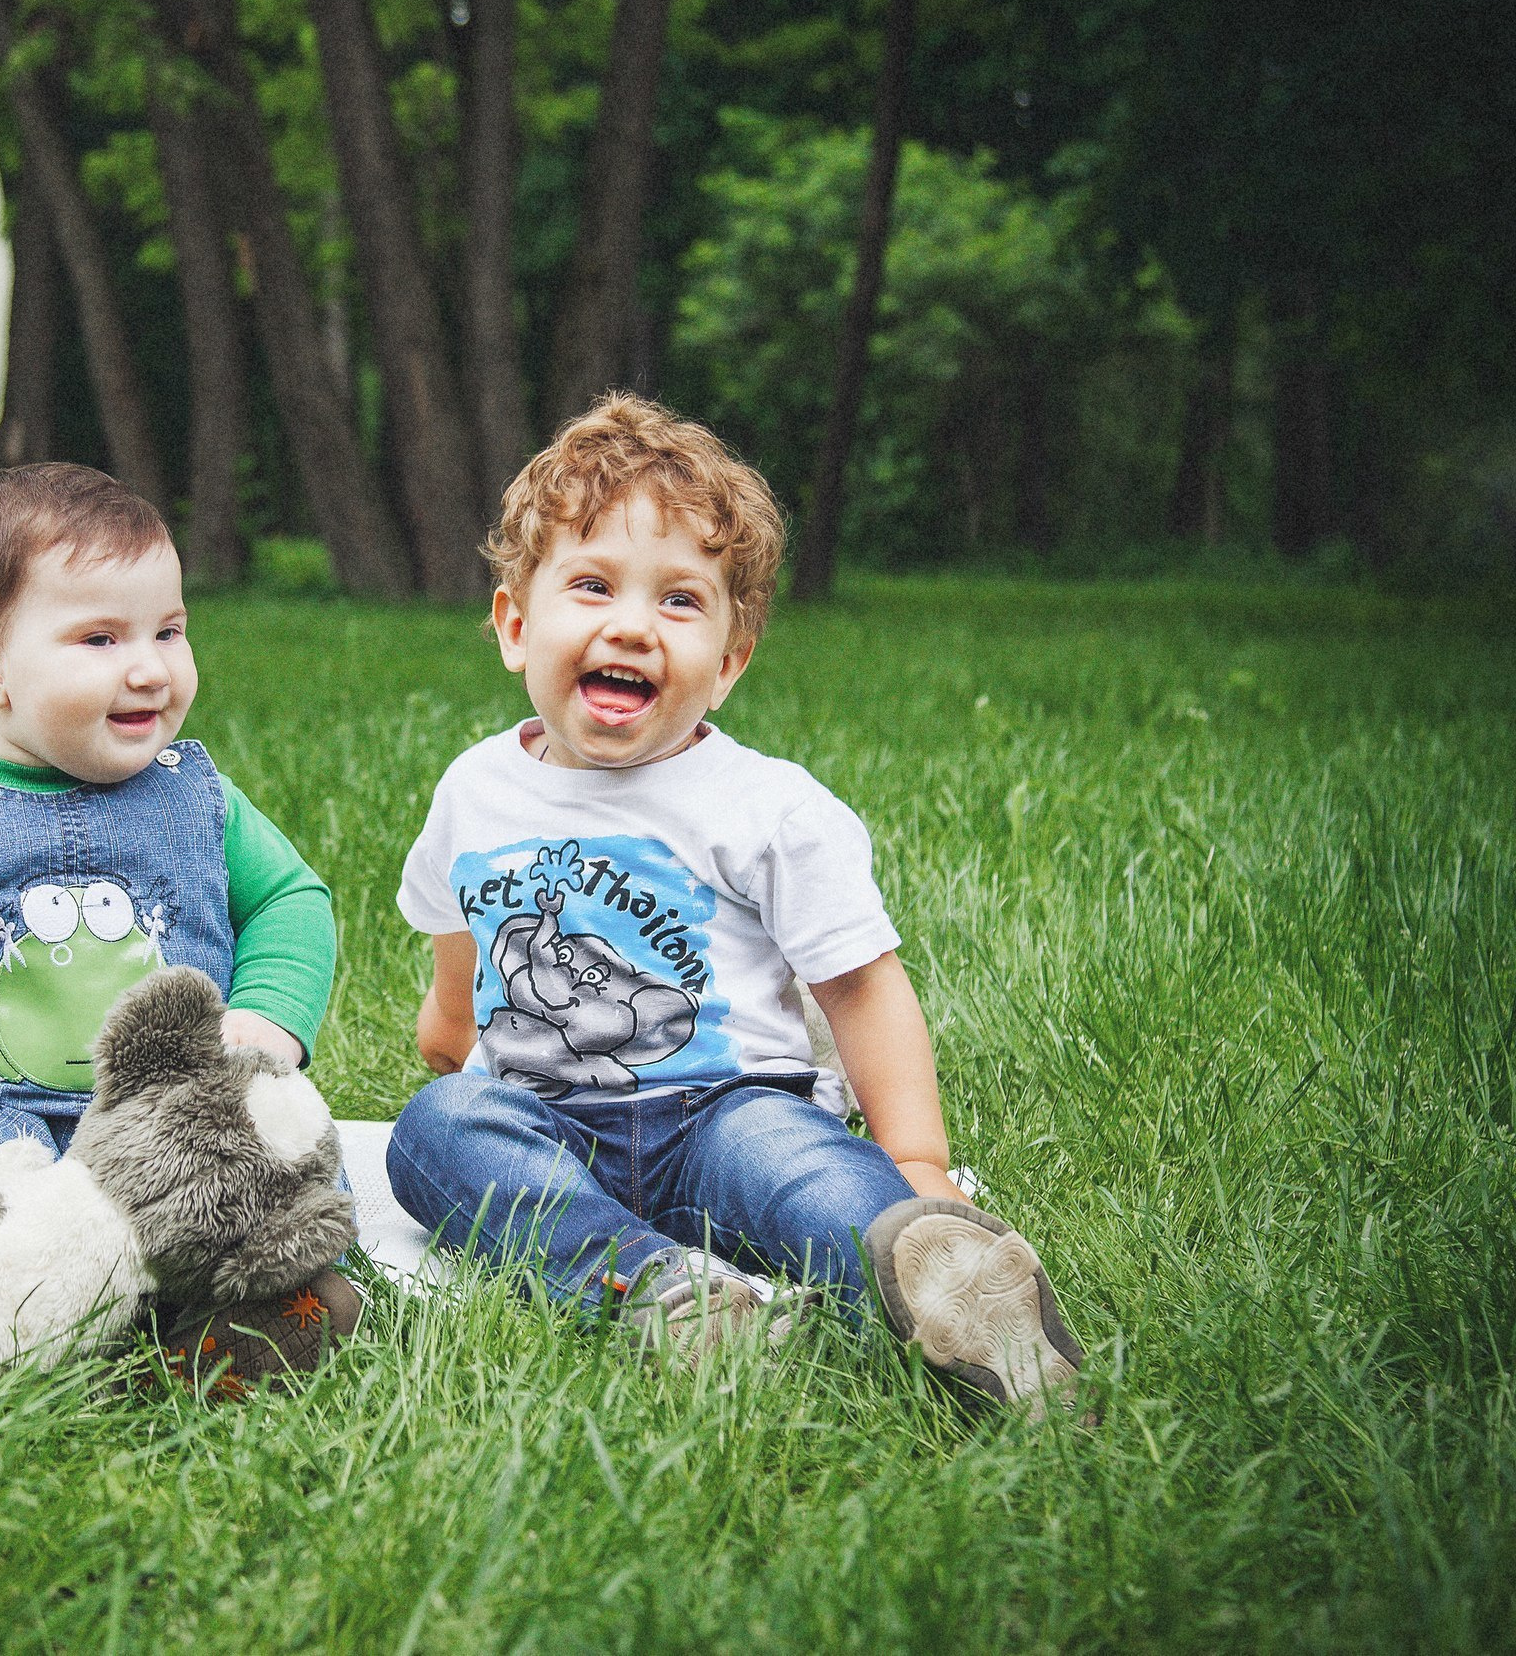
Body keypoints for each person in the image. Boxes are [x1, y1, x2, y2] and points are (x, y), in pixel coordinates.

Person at [387, 396, 1084, 1407]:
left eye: (679, 601)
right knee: (433, 1131)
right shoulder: (473, 790)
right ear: (513, 624)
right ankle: (661, 1293)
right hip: (544, 1114)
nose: (631, 623)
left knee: (818, 1186)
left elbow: (859, 987)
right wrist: (450, 1032)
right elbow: (460, 934)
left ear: (727, 662)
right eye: (591, 585)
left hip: (725, 1112)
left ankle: (957, 1305)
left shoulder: (768, 807)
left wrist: (918, 1155)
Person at [0, 462, 355, 1390]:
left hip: (172, 1108)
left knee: (256, 1161)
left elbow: (292, 902)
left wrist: (271, 1016)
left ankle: (253, 1312)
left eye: (170, 630)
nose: (150, 666)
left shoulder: (200, 797)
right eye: (100, 637)